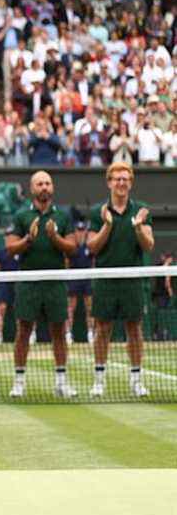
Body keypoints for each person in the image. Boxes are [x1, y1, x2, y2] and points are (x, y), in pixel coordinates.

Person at [5, 171, 77, 398]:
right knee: (23, 331)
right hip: (28, 281)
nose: (44, 187)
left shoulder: (63, 216)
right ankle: (18, 382)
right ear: (32, 188)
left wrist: (54, 237)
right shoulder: (21, 216)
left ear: (52, 187)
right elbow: (10, 248)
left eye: (47, 183)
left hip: (55, 281)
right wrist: (29, 239)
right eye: (39, 184)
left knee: (58, 330)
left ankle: (61, 381)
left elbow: (73, 248)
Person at [86, 162, 155, 397]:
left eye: (125, 179)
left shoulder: (142, 210)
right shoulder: (98, 211)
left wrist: (138, 227)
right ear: (109, 182)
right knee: (102, 330)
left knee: (134, 329)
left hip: (133, 279)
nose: (121, 183)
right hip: (105, 279)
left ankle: (136, 380)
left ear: (131, 182)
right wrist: (107, 225)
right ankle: (99, 380)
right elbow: (92, 247)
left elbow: (148, 245)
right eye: (117, 179)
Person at [65, 221, 96, 344]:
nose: (80, 233)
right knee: (70, 308)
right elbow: (66, 262)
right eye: (78, 230)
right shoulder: (72, 246)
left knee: (89, 308)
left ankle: (91, 333)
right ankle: (68, 333)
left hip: (87, 279)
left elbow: (93, 262)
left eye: (82, 230)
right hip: (73, 279)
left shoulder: (89, 246)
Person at [0, 245, 21, 345]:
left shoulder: (21, 251)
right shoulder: (0, 253)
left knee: (21, 310)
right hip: (4, 283)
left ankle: (24, 336)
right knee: (1, 309)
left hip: (18, 283)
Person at [150, 252, 173, 341]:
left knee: (161, 314)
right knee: (161, 314)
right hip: (161, 296)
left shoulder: (165, 267)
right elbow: (167, 283)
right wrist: (170, 292)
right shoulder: (162, 267)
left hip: (159, 296)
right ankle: (159, 334)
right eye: (170, 258)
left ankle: (161, 333)